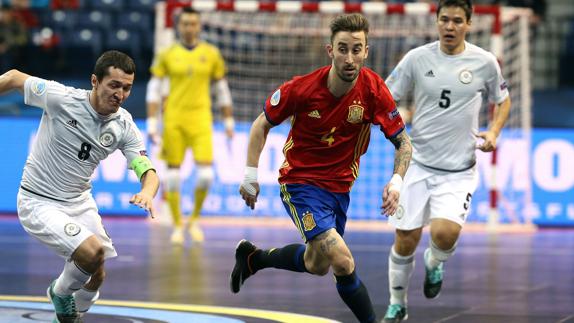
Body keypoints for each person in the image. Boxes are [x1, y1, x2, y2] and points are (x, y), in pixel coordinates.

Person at [232, 13, 412, 323]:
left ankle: (254, 258)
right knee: (342, 261)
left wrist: (396, 182)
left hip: (340, 188)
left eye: (357, 49)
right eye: (343, 48)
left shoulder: (373, 90)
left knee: (317, 264)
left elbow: (404, 143)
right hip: (300, 184)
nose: (349, 57)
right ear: (330, 50)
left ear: (366, 51)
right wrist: (250, 175)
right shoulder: (301, 89)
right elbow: (261, 125)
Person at [1, 50, 160, 322]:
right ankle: (60, 293)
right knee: (92, 252)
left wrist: (147, 191)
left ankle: (71, 318)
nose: (120, 94)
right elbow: (14, 77)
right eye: (114, 85)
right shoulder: (61, 98)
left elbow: (148, 170)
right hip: (38, 201)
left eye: (127, 88)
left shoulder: (124, 125)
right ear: (95, 81)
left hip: (79, 202)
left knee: (97, 273)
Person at [381, 1, 512, 322]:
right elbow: (385, 96)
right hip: (418, 164)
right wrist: (399, 120)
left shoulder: (484, 62)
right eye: (444, 20)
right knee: (405, 239)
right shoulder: (417, 58)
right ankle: (397, 305)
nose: (449, 27)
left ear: (469, 23)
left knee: (444, 235)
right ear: (436, 22)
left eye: (456, 21)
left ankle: (435, 264)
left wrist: (493, 131)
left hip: (459, 171)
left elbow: (503, 100)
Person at [146, 7, 234, 245]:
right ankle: (177, 224)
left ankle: (193, 219)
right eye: (185, 23)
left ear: (199, 26)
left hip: (201, 119)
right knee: (173, 176)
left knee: (206, 175)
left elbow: (221, 89)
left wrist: (228, 120)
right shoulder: (167, 54)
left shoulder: (211, 53)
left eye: (193, 23)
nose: (189, 28)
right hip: (174, 119)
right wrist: (153, 121)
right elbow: (154, 87)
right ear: (179, 26)